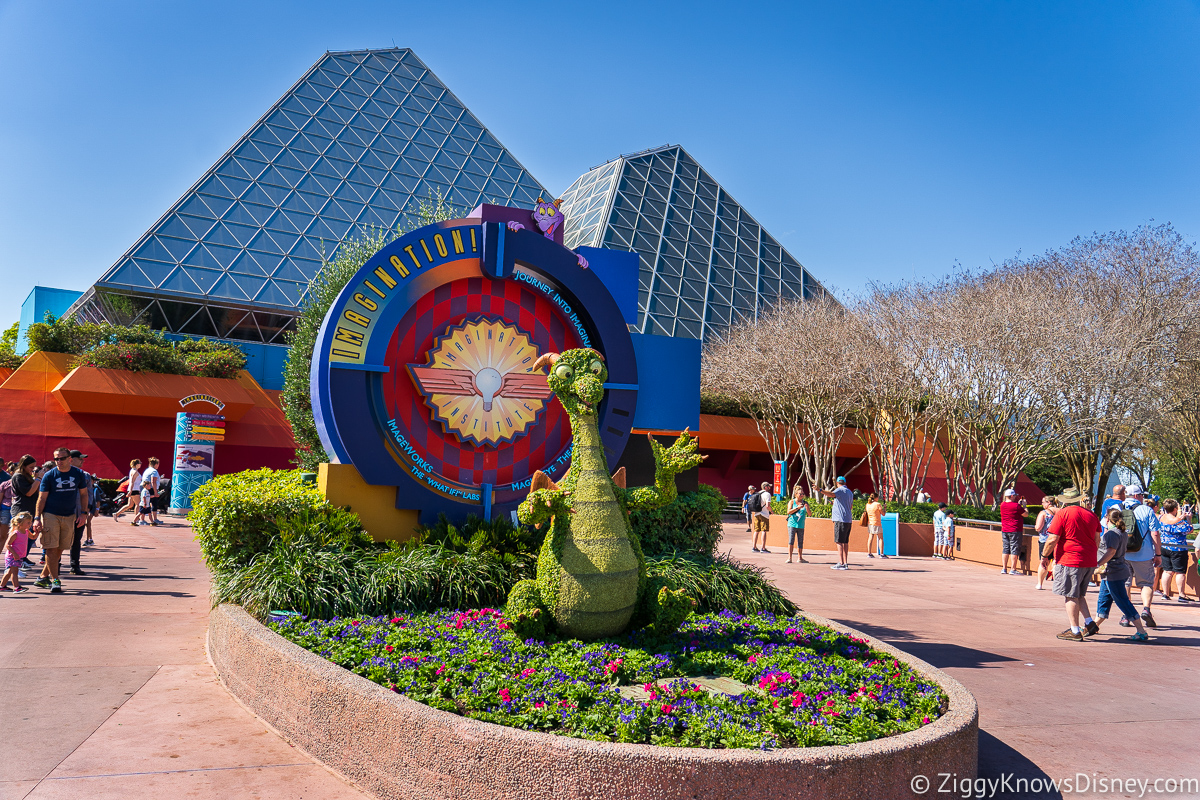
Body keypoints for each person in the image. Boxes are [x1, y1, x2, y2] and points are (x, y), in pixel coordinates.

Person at [1041, 488, 1100, 641]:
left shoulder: (1063, 513)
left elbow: (1053, 538)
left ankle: (1075, 630)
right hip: (1088, 560)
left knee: (1070, 595)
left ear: (1064, 500)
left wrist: (1044, 556)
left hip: (1070, 559)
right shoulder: (1092, 515)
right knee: (1079, 593)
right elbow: (1097, 539)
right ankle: (1089, 623)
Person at [32, 447, 89, 594]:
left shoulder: (78, 474)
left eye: (62, 458)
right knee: (50, 548)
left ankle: (43, 577)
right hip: (51, 514)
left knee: (60, 548)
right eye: (56, 458)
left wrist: (84, 513)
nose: (58, 461)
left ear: (69, 459)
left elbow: (83, 494)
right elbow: (42, 498)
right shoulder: (49, 476)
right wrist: (37, 518)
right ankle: (55, 580)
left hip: (70, 515)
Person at [1093, 508, 1149, 642]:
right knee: (1103, 600)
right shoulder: (1122, 532)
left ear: (1107, 519)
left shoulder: (1111, 534)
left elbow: (1111, 552)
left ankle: (1141, 631)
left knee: (1122, 601)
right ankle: (1093, 626)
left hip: (1113, 572)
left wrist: (1098, 563)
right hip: (1111, 572)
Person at [1119, 485, 1160, 629]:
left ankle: (1126, 615)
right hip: (1144, 554)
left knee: (1125, 584)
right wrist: (1158, 554)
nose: (1143, 497)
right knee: (1147, 584)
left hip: (1123, 553)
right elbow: (1155, 533)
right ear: (1137, 496)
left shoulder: (1118, 509)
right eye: (1141, 495)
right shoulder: (1147, 510)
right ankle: (1146, 609)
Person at [1154, 499, 1193, 603]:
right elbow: (1189, 529)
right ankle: (1181, 594)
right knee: (1180, 572)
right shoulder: (1178, 522)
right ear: (1175, 509)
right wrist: (1189, 519)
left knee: (1167, 571)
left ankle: (1165, 594)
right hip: (1178, 549)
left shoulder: (1161, 518)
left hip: (1165, 547)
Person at [10, 456, 40, 568]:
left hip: (30, 510)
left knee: (29, 536)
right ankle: (16, 562)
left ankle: (22, 559)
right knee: (19, 537)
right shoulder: (18, 476)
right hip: (20, 511)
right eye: (31, 467)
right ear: (24, 466)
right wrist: (38, 479)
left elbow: (37, 490)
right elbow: (28, 492)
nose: (33, 469)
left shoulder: (27, 476)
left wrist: (36, 479)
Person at [66, 451, 93, 576]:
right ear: (71, 459)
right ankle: (56, 565)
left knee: (76, 540)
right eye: (80, 459)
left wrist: (87, 510)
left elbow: (89, 493)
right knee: (59, 540)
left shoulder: (85, 475)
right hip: (64, 512)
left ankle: (74, 565)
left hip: (79, 512)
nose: (82, 461)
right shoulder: (60, 473)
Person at [819, 476, 854, 570]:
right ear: (845, 483)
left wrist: (820, 490)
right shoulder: (849, 492)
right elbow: (850, 506)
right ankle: (845, 562)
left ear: (837, 483)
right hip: (848, 520)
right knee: (845, 542)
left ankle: (841, 563)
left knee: (839, 541)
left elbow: (830, 494)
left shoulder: (839, 490)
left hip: (840, 520)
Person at [1, 512, 34, 593]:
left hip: (18, 556)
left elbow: (33, 537)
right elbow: (8, 545)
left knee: (9, 572)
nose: (30, 524)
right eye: (28, 522)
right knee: (14, 572)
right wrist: (14, 553)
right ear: (19, 523)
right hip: (12, 556)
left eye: (30, 522)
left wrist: (37, 532)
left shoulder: (26, 531)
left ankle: (2, 586)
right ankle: (17, 587)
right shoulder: (15, 533)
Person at [999, 488, 1027, 575]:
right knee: (1014, 549)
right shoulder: (1016, 506)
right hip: (1015, 530)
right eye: (1014, 496)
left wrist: (1018, 505)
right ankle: (1013, 569)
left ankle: (1004, 568)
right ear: (1011, 496)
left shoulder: (1002, 505)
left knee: (1006, 549)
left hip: (1005, 530)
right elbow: (1025, 514)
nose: (1015, 497)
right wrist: (1024, 506)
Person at [1034, 496, 1058, 590]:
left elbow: (1038, 527)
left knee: (1044, 562)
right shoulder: (1061, 511)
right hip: (1058, 540)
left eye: (1043, 502)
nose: (1042, 504)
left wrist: (1037, 528)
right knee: (1056, 562)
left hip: (1045, 540)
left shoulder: (1044, 513)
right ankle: (1056, 584)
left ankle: (1040, 583)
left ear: (1048, 502)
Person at [785, 485, 808, 563]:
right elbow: (788, 512)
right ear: (796, 494)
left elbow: (810, 514)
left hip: (801, 525)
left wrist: (807, 507)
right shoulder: (792, 502)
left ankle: (800, 558)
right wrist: (797, 507)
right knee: (791, 540)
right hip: (792, 524)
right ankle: (789, 557)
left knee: (800, 541)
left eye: (803, 494)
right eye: (800, 494)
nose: (802, 495)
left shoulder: (805, 503)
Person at [751, 482, 773, 553]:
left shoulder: (757, 493)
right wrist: (771, 511)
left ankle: (754, 547)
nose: (770, 488)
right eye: (769, 486)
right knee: (764, 530)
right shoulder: (767, 494)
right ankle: (763, 548)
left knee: (756, 531)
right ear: (766, 487)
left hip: (756, 514)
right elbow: (767, 506)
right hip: (764, 514)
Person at [865, 493, 886, 558]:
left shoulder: (868, 504)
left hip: (870, 523)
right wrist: (885, 507)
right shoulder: (878, 504)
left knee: (870, 537)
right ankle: (882, 554)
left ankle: (869, 553)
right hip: (877, 523)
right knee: (880, 538)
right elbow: (883, 514)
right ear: (876, 498)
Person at [142, 457, 161, 526]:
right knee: (154, 503)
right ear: (156, 464)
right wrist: (155, 492)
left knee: (146, 503)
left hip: (145, 488)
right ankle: (155, 519)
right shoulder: (154, 471)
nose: (158, 466)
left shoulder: (147, 470)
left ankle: (142, 519)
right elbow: (153, 482)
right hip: (151, 488)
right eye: (158, 464)